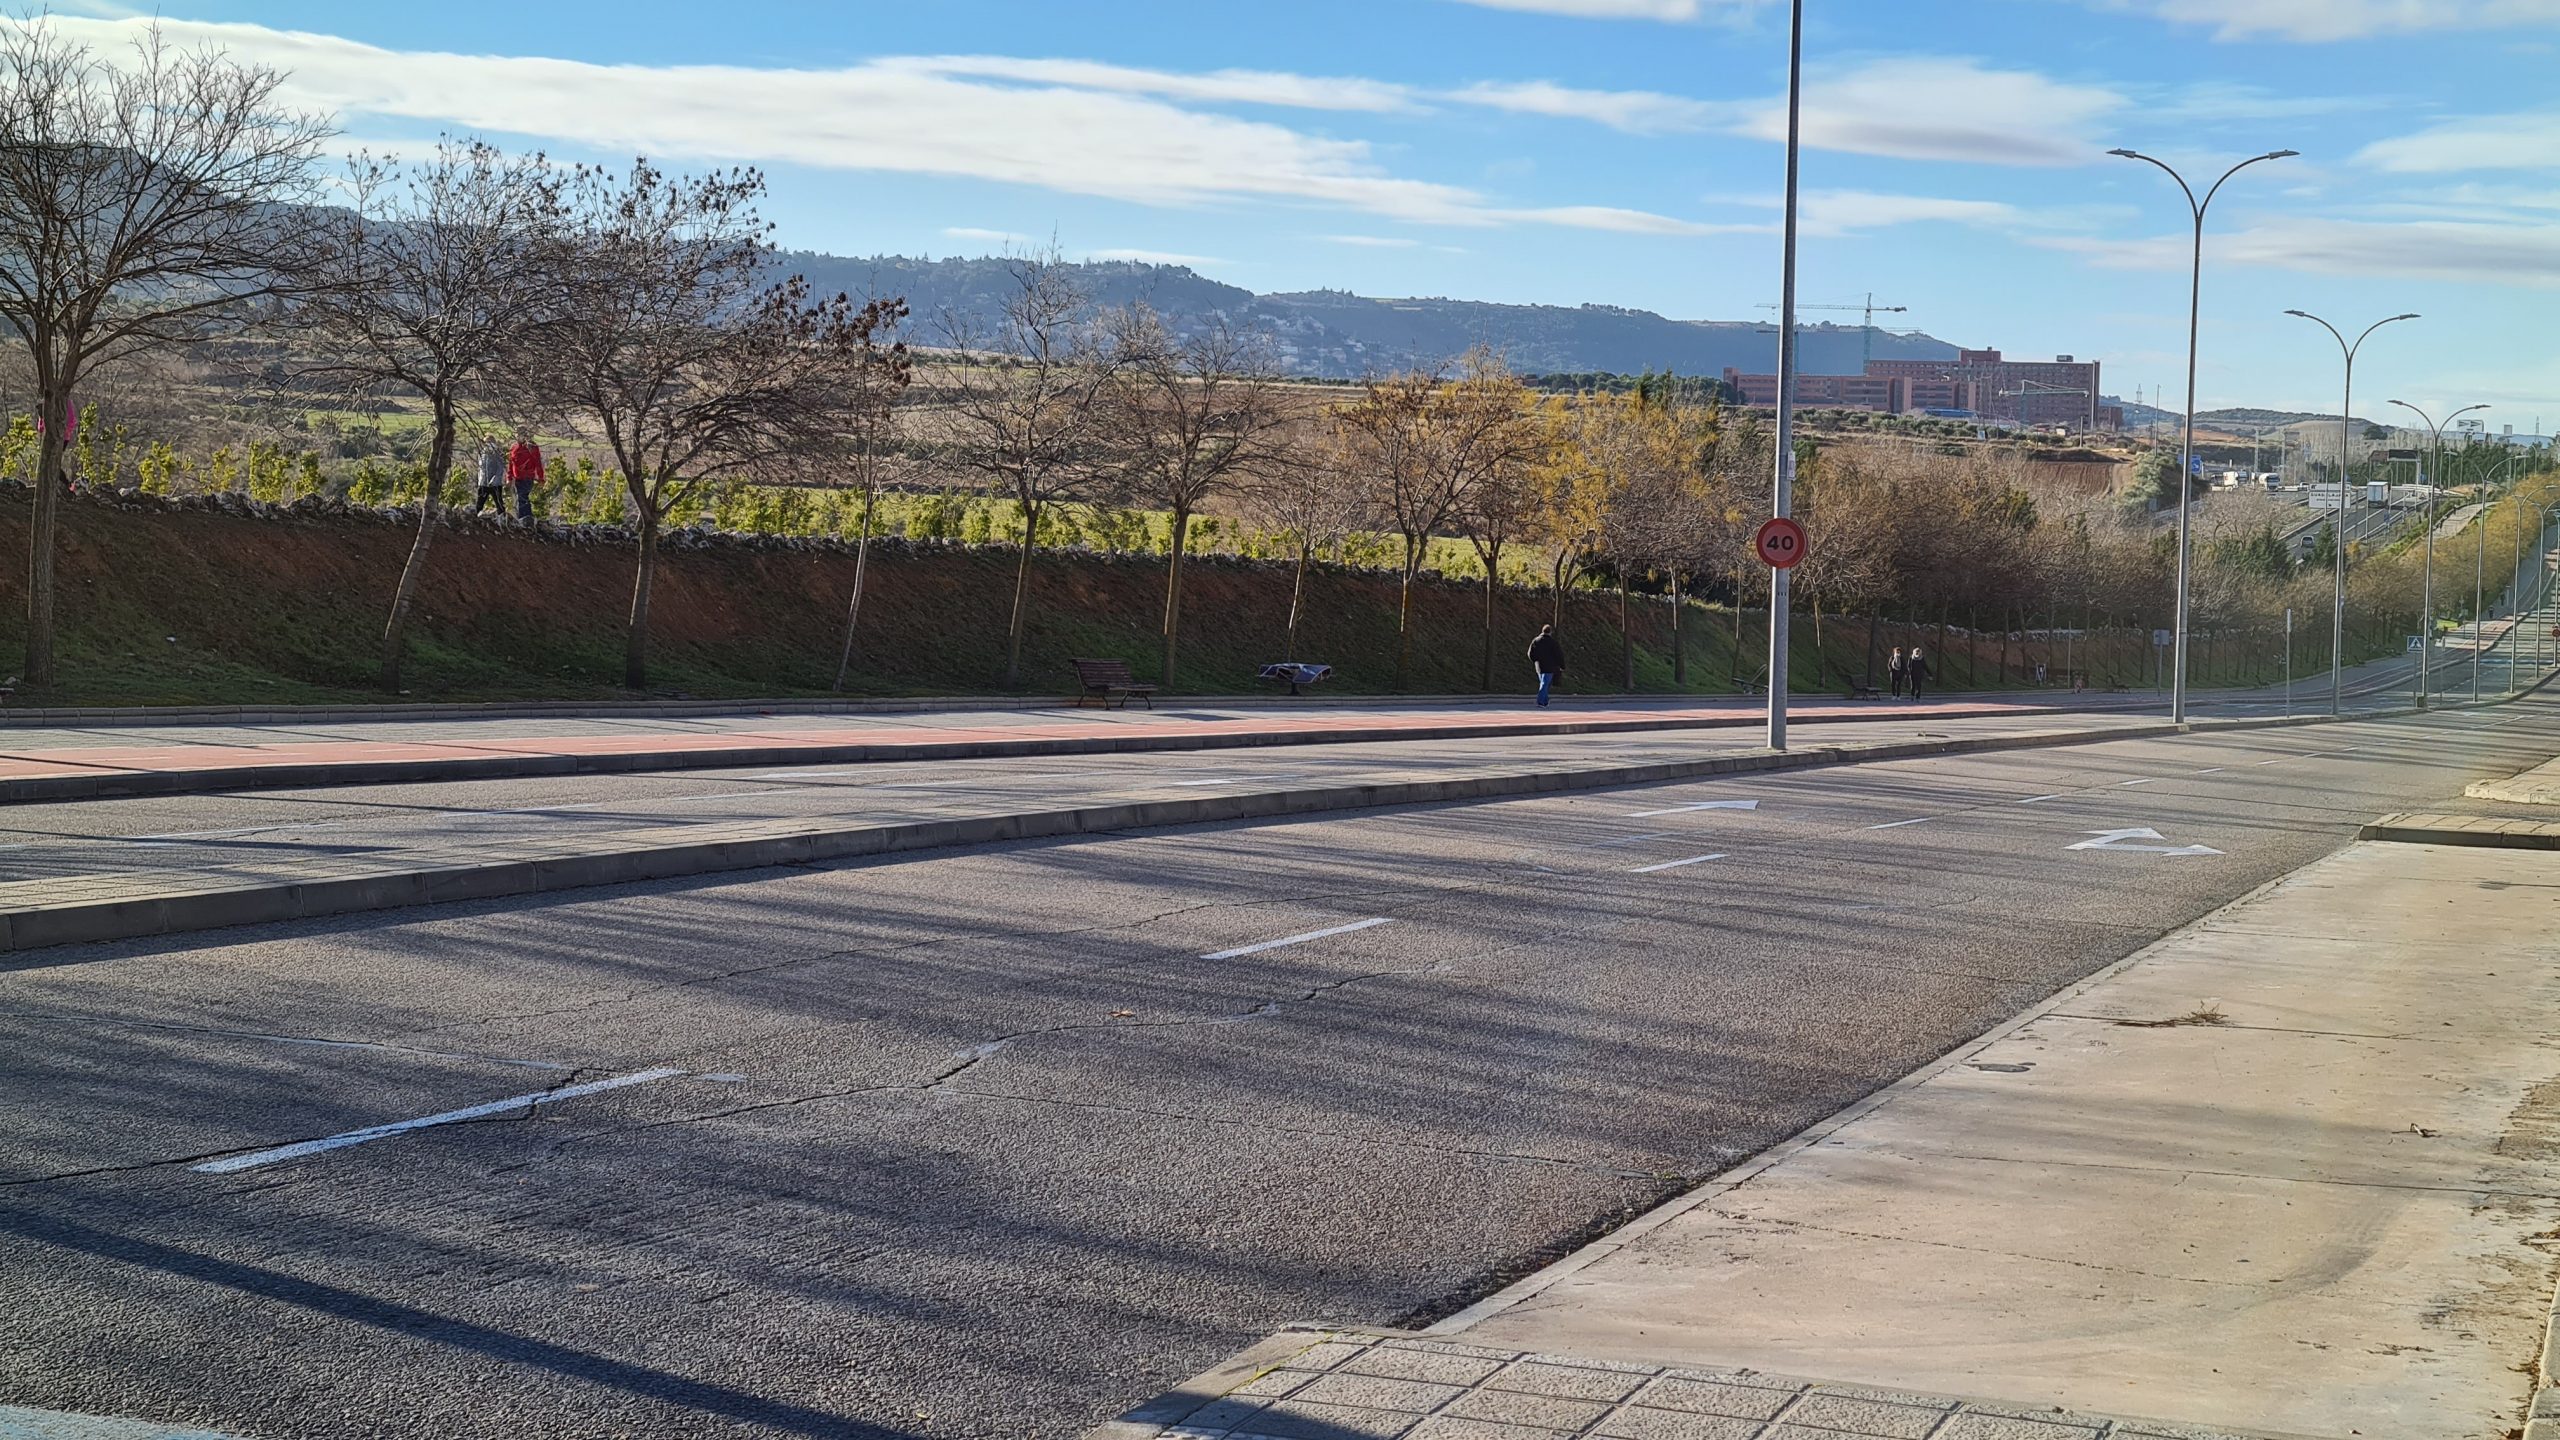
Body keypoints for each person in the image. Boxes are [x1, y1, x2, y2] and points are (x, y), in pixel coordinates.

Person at [505, 429, 544, 522]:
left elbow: (538, 463)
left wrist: (540, 477)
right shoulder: (514, 447)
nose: (518, 437)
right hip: (517, 478)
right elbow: (511, 464)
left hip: (527, 477)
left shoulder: (532, 447)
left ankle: (524, 519)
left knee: (522, 497)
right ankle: (525, 518)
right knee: (520, 498)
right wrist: (509, 477)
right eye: (517, 435)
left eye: (521, 434)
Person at [1526, 624, 1564, 707]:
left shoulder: (1536, 640)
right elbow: (1558, 654)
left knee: (1543, 683)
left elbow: (1530, 653)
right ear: (1550, 632)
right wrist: (1561, 665)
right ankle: (1541, 701)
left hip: (1539, 665)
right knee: (1545, 683)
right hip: (1550, 666)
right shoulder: (1553, 642)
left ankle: (1545, 701)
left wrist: (1535, 660)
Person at [470, 438, 506, 516]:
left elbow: (500, 468)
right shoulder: (482, 453)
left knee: (499, 504)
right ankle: (477, 519)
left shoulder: (497, 453)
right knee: (480, 503)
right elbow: (480, 468)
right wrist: (479, 480)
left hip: (495, 484)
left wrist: (495, 479)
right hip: (483, 482)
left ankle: (503, 520)